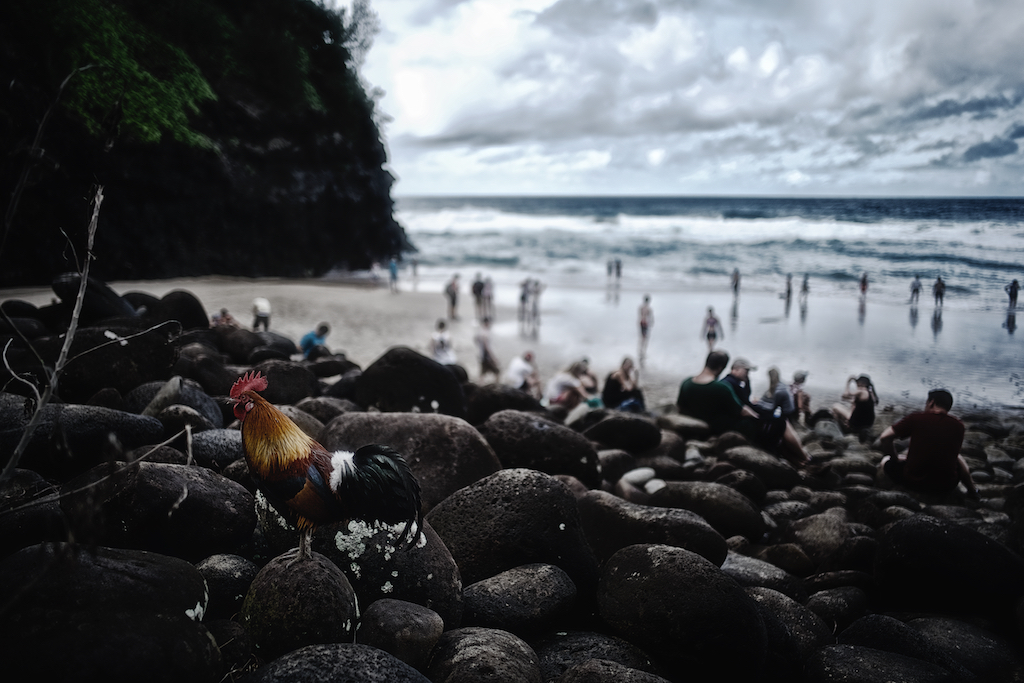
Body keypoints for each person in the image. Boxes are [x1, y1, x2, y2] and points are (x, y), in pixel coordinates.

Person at [676, 350, 810, 466]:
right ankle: (804, 458)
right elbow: (742, 411)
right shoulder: (721, 388)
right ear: (722, 367)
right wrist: (758, 417)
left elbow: (681, 409)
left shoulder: (687, 383)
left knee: (773, 426)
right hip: (729, 428)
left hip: (708, 428)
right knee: (779, 423)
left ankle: (797, 461)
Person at [878, 389, 978, 498]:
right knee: (958, 457)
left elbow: (885, 437)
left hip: (914, 482)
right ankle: (973, 491)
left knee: (885, 460)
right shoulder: (959, 425)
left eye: (926, 402)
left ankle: (887, 488)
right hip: (946, 486)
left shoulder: (916, 418)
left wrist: (895, 458)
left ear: (931, 402)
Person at [474, 316, 500, 382]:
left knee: (483, 373)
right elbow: (487, 347)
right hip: (486, 356)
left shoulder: (479, 332)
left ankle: (480, 384)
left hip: (481, 355)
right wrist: (493, 358)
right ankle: (496, 385)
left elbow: (475, 340)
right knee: (497, 371)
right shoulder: (485, 334)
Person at [638, 295, 653, 362]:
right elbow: (650, 317)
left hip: (641, 322)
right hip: (645, 323)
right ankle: (643, 351)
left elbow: (640, 315)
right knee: (645, 338)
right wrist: (651, 323)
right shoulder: (648, 309)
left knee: (642, 337)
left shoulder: (641, 307)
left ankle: (641, 350)